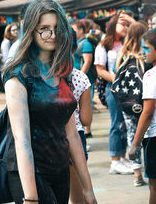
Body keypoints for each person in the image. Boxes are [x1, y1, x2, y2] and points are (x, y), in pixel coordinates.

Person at [3, 0, 97, 204]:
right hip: (31, 173)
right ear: (30, 30)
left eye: (56, 28)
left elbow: (72, 135)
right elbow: (22, 139)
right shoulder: (18, 74)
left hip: (61, 169)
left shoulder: (63, 71)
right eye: (44, 28)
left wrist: (88, 189)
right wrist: (30, 198)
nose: (52, 35)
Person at [94, 11, 135, 175]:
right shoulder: (103, 45)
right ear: (113, 25)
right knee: (117, 123)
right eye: (122, 24)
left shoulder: (130, 43)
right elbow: (100, 70)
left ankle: (122, 157)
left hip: (129, 90)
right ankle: (115, 161)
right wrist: (116, 80)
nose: (125, 27)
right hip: (114, 89)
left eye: (128, 25)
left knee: (125, 124)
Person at [115, 22, 148, 186]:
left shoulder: (122, 55)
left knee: (132, 135)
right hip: (146, 103)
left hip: (127, 104)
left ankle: (137, 174)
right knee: (147, 134)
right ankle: (149, 169)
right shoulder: (147, 56)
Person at [129, 29, 156, 204]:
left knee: (154, 186)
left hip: (154, 138)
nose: (143, 53)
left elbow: (147, 112)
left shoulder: (151, 76)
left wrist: (135, 143)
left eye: (147, 49)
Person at [70, 29, 93, 204]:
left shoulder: (43, 75)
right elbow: (86, 120)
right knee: (78, 191)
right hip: (76, 137)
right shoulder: (80, 78)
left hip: (46, 137)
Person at [71, 20, 95, 138]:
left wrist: (80, 76)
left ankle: (87, 131)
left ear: (81, 30)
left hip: (82, 80)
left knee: (85, 104)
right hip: (77, 78)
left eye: (75, 30)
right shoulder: (78, 43)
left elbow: (88, 61)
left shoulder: (85, 44)